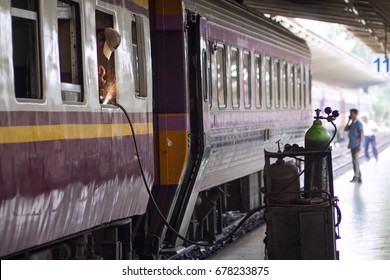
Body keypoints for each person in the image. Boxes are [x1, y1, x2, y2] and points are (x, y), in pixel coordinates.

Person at [344, 108, 363, 183]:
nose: (350, 115)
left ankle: (356, 176)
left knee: (355, 161)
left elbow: (361, 134)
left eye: (351, 114)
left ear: (355, 114)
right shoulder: (352, 123)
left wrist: (359, 145)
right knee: (355, 160)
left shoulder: (358, 123)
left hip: (356, 144)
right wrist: (349, 120)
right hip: (352, 144)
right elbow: (345, 129)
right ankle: (359, 176)